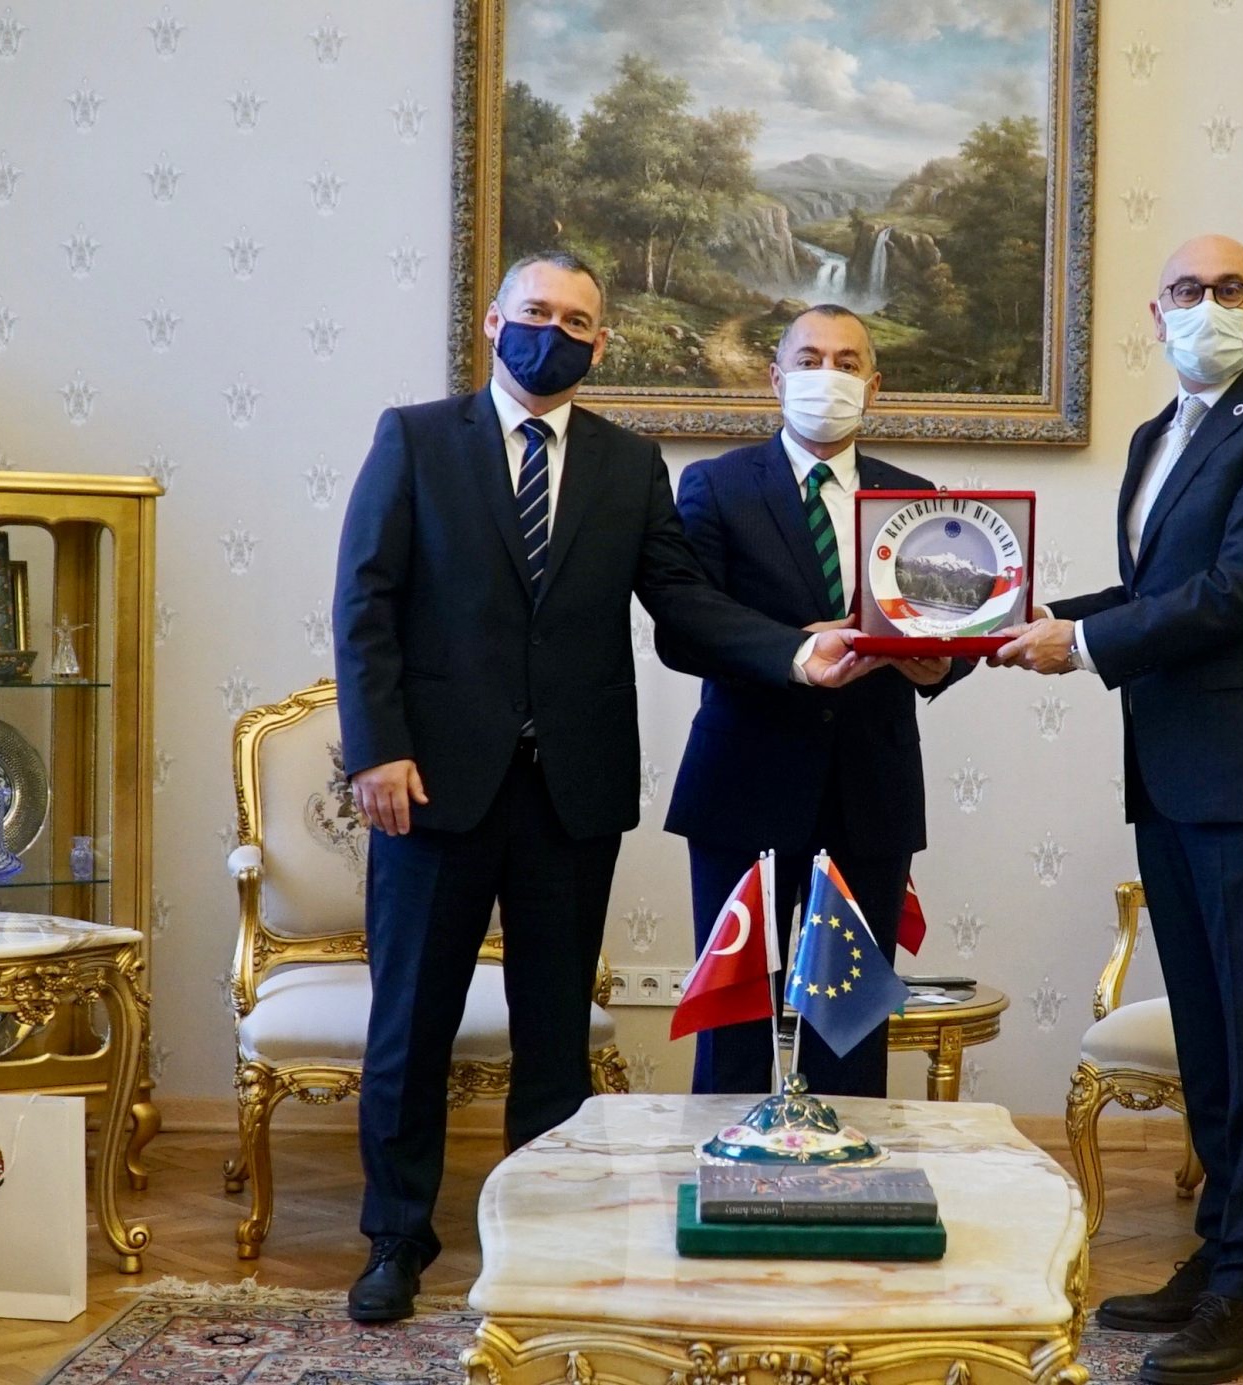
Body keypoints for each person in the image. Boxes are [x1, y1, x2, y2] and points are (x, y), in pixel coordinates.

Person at [332, 252, 875, 1323]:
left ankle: (540, 1231)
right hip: (433, 785)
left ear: (601, 342)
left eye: (578, 320)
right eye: (537, 311)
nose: (556, 331)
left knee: (555, 1033)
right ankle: (397, 1235)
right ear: (495, 322)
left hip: (571, 792)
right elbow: (366, 599)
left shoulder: (631, 464)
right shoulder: (417, 438)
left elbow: (682, 600)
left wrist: (791, 650)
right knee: (411, 1024)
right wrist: (375, 750)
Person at [993, 235, 1243, 1385]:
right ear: (1153, 313)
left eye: (1229, 290)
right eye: (1186, 291)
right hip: (1173, 770)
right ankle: (1219, 1251)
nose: (1206, 306)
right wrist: (1002, 619)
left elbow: (1241, 589)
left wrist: (1082, 643)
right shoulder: (1157, 437)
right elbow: (1153, 593)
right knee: (1208, 1030)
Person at [657, 304, 968, 1098]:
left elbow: (949, 630)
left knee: (849, 1028)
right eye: (809, 359)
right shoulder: (717, 484)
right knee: (734, 1023)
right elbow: (686, 628)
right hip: (743, 788)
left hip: (870, 793)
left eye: (846, 361)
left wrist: (938, 664)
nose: (827, 375)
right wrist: (796, 651)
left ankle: (848, 1165)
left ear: (874, 384)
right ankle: (727, 1166)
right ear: (776, 377)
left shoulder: (916, 497)